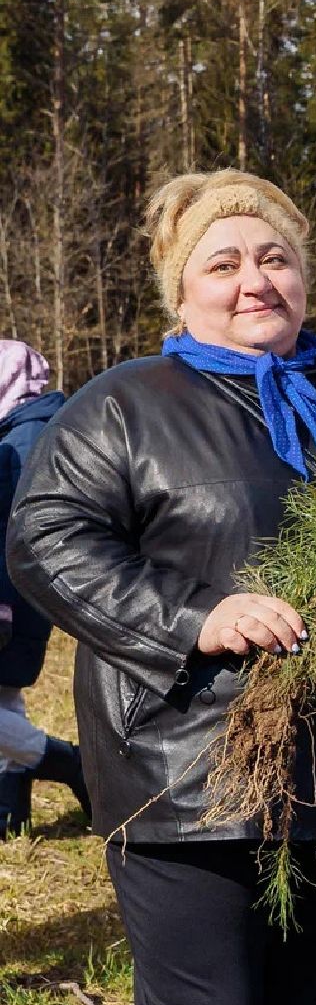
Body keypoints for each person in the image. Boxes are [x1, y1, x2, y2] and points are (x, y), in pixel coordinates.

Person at [6, 168, 316, 1005]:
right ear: (181, 293)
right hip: (181, 773)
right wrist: (195, 620)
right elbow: (44, 540)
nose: (255, 280)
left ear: (304, 277)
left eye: (275, 257)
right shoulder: (125, 405)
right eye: (222, 264)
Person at [0, 341, 87, 835]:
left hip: (10, 594)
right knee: (5, 699)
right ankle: (9, 813)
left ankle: (63, 761)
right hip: (13, 595)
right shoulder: (18, 429)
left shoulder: (28, 437)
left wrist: (5, 605)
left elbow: (15, 535)